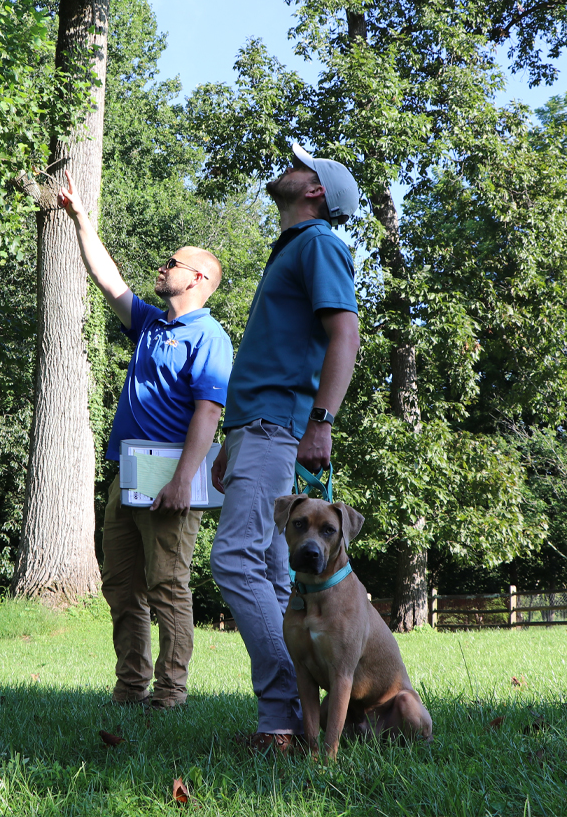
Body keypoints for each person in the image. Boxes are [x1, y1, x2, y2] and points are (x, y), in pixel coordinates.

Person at [57, 170, 232, 710]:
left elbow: (209, 413)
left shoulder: (210, 337)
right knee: (122, 589)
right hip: (125, 476)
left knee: (168, 589)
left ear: (198, 279)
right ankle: (130, 689)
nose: (164, 266)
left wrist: (184, 481)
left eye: (174, 262)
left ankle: (170, 694)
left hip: (169, 479)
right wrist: (81, 217)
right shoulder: (152, 324)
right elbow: (108, 280)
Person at [209, 143, 361, 751]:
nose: (288, 165)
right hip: (259, 428)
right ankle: (287, 723)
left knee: (236, 559)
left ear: (315, 190)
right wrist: (233, 437)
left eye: (301, 164)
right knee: (275, 578)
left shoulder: (319, 243)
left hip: (282, 427)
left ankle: (284, 713)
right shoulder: (293, 251)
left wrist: (321, 420)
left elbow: (344, 333)